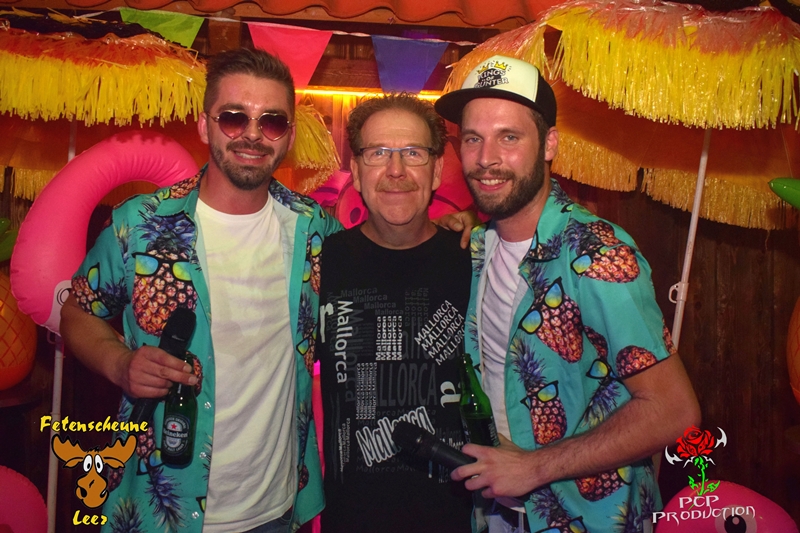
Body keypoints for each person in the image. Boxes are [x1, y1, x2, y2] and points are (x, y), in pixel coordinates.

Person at [60, 48, 342, 533]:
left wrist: (453, 227)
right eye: (234, 117)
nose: (252, 134)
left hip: (276, 510)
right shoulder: (140, 223)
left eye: (272, 122)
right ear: (205, 126)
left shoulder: (314, 227)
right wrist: (120, 364)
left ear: (290, 137)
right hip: (161, 507)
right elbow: (78, 312)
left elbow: (383, 255)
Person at [434, 55, 701, 533]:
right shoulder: (475, 247)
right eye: (473, 138)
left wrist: (533, 468)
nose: (486, 158)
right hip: (495, 513)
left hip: (590, 518)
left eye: (509, 137)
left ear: (549, 144)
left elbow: (674, 411)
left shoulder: (598, 255)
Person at [316, 93, 473, 532]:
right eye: (379, 153)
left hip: (455, 517)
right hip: (351, 517)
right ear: (356, 172)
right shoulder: (321, 261)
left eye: (413, 153)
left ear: (437, 170)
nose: (396, 170)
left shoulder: (474, 260)